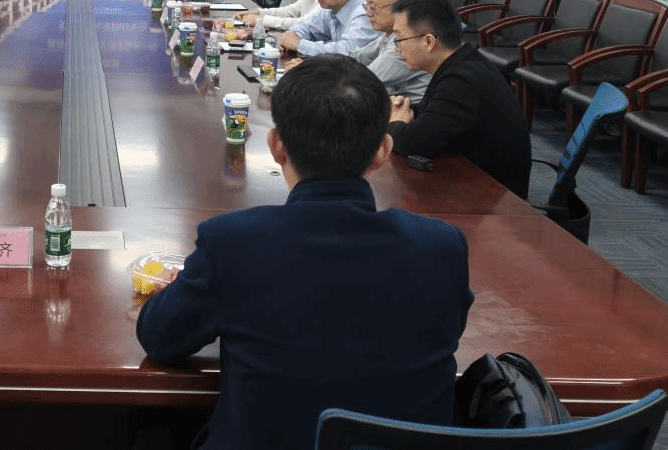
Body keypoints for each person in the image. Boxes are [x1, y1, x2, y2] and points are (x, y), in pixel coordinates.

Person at [136, 54, 473, 449]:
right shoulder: (442, 246)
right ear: (383, 150)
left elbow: (160, 338)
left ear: (276, 145)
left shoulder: (233, 242)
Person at [387, 0, 532, 198]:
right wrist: (401, 110)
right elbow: (435, 115)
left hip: (490, 200)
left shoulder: (462, 81)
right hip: (472, 182)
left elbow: (414, 142)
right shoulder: (463, 63)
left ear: (428, 42)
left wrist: (395, 122)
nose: (397, 48)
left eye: (399, 39)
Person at [348, 0, 429, 102]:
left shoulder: (406, 43)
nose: (368, 13)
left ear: (400, 8)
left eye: (373, 7)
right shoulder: (390, 35)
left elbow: (363, 80)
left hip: (412, 110)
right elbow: (358, 57)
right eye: (367, 6)